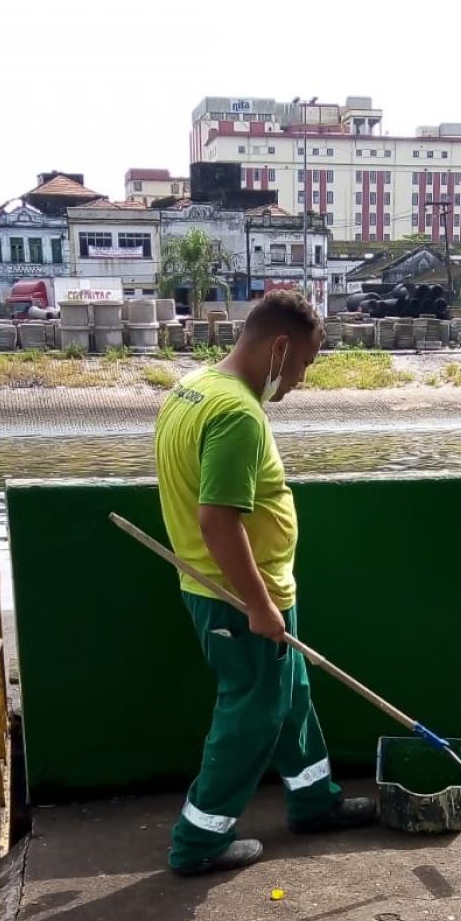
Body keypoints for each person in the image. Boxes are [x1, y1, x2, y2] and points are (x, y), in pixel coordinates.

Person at [154, 289, 376, 875]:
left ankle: (313, 800)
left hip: (242, 591)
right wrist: (257, 605)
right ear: (280, 347)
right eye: (303, 363)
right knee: (251, 714)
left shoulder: (192, 388)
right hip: (238, 599)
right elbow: (217, 519)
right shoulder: (237, 415)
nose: (301, 379)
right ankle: (197, 841)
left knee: (290, 696)